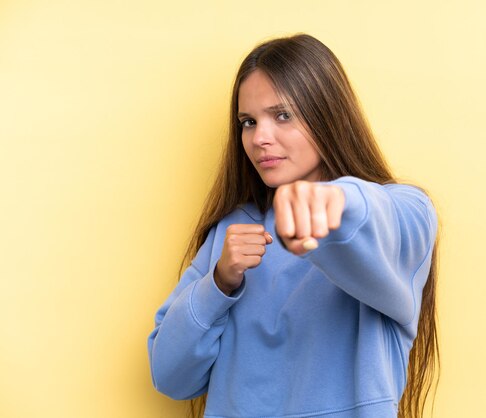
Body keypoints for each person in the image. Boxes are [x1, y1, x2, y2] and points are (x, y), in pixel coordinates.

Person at [147, 33, 440, 418]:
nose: (259, 139)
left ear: (326, 115)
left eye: (282, 115)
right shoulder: (232, 234)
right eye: (248, 122)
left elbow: (379, 216)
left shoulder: (406, 209)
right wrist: (218, 284)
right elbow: (169, 377)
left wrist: (335, 202)